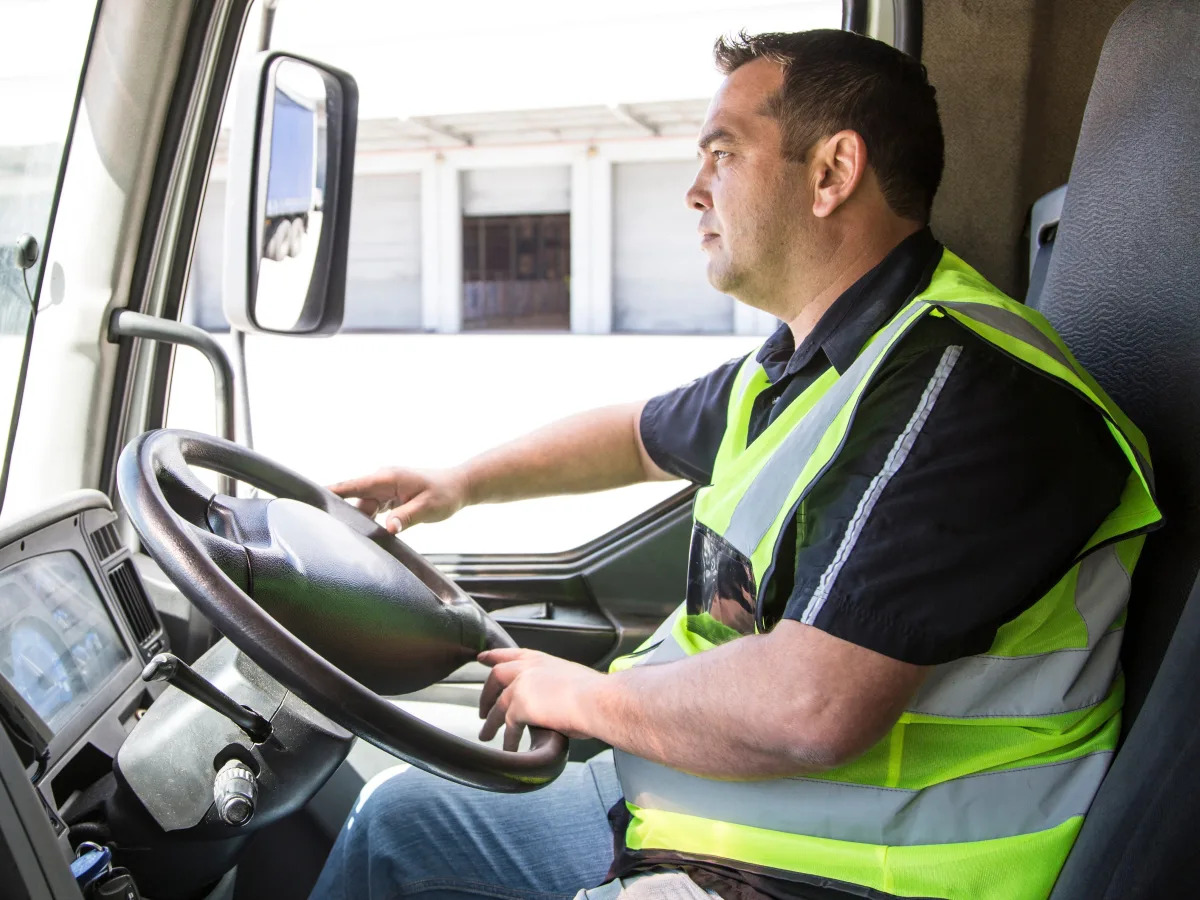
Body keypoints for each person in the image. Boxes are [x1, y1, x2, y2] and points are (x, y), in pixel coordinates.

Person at [309, 28, 1160, 900]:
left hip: (845, 869)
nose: (692, 190)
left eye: (723, 152)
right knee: (398, 825)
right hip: (708, 804)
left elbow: (809, 709)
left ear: (832, 174)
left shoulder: (969, 390)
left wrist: (578, 697)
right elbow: (637, 434)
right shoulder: (807, 362)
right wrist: (459, 483)